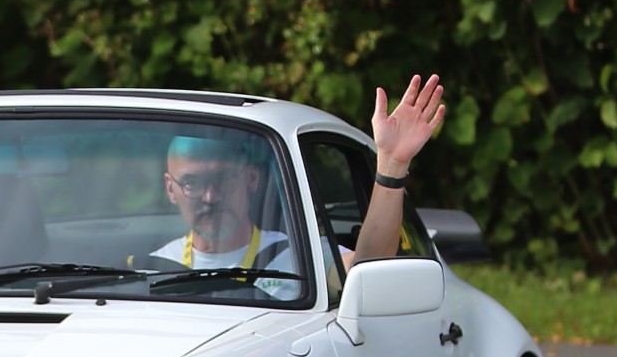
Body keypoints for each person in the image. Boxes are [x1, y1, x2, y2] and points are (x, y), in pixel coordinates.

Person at [149, 72, 447, 276]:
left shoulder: (300, 260)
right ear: (171, 188)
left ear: (250, 179)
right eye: (192, 183)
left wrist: (392, 164)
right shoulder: (152, 269)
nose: (210, 196)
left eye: (223, 180)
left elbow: (369, 274)